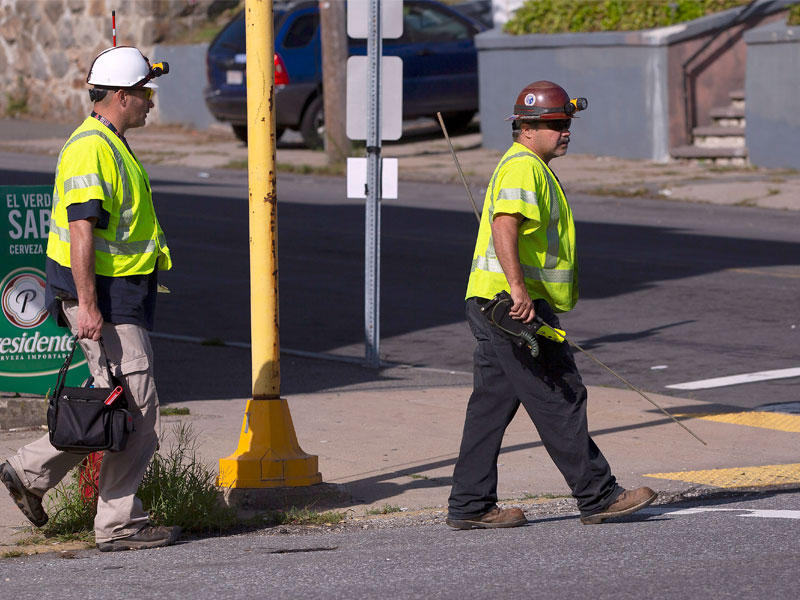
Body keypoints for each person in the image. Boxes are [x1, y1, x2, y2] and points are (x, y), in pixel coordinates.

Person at [446, 81, 657, 529]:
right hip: (512, 307)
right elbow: (505, 227)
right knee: (560, 395)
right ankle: (598, 495)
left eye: (568, 123)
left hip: (493, 302)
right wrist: (520, 290)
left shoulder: (529, 165)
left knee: (490, 407)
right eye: (557, 124)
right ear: (525, 128)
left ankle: (470, 504)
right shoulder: (524, 168)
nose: (566, 132)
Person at [1, 46, 180, 551]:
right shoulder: (91, 148)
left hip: (115, 297)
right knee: (137, 410)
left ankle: (28, 472)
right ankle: (117, 524)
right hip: (104, 301)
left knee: (112, 406)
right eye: (144, 92)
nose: (150, 100)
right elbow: (82, 232)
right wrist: (90, 305)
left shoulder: (108, 142)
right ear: (121, 96)